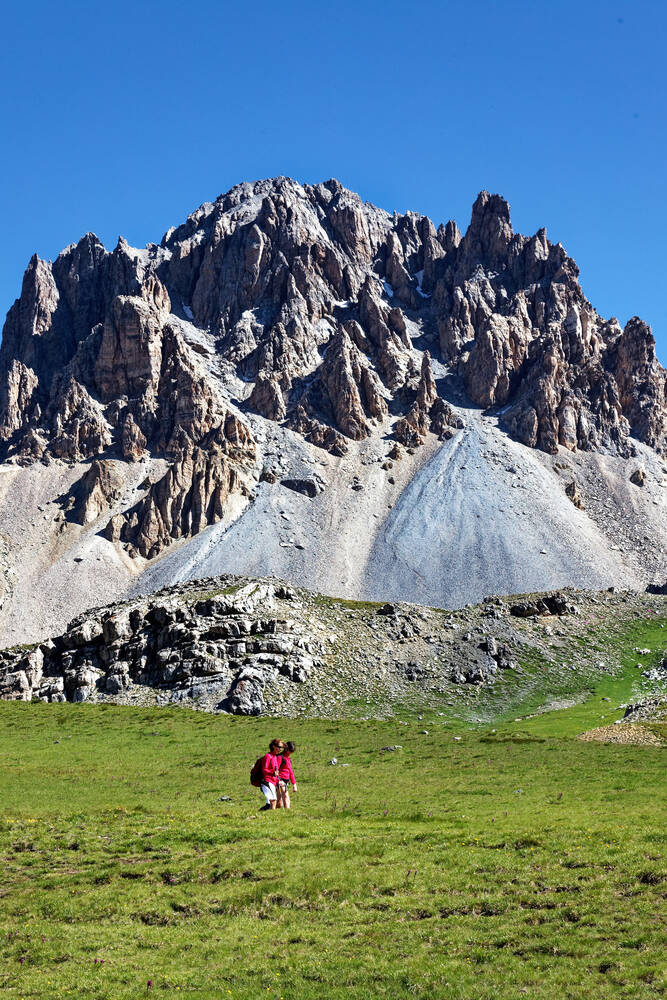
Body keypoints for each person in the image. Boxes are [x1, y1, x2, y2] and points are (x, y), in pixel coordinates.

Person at [259, 739, 284, 811]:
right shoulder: (268, 756)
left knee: (275, 804)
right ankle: (272, 819)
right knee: (273, 802)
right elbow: (264, 770)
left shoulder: (275, 757)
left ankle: (263, 815)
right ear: (273, 746)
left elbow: (276, 772)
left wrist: (279, 780)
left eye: (281, 747)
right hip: (267, 781)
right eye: (279, 747)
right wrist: (273, 772)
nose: (280, 749)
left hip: (273, 782)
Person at [276, 741, 298, 810]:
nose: (291, 753)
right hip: (279, 780)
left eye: (292, 751)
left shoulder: (288, 759)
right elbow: (275, 770)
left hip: (286, 780)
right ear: (286, 749)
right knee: (280, 802)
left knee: (286, 798)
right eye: (290, 751)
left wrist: (294, 784)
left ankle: (288, 813)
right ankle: (269, 809)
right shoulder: (280, 757)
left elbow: (290, 772)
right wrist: (278, 780)